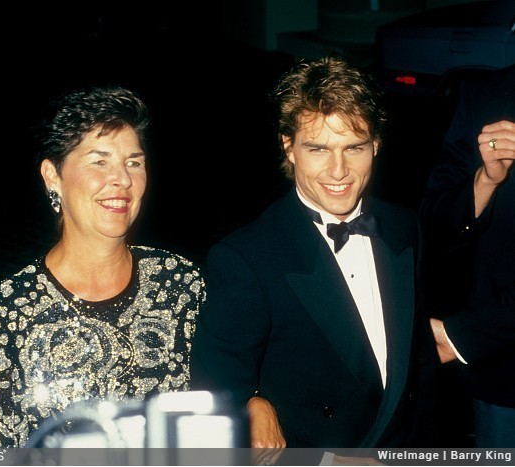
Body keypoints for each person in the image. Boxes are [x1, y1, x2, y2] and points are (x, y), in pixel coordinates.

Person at [191, 56, 437, 457]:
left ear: (376, 145)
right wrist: (252, 401)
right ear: (288, 147)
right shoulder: (246, 258)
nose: (338, 170)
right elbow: (215, 392)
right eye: (318, 148)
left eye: (354, 147)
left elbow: (419, 371)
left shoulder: (402, 227)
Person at [0, 86, 206, 448]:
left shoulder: (179, 282)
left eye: (134, 162)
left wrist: (256, 399)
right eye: (100, 160)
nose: (122, 180)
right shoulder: (5, 311)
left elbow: (222, 398)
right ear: (52, 176)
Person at [420, 64, 515, 448]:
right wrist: (485, 181)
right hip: (506, 372)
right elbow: (433, 222)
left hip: (483, 337)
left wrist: (462, 335)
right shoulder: (488, 95)